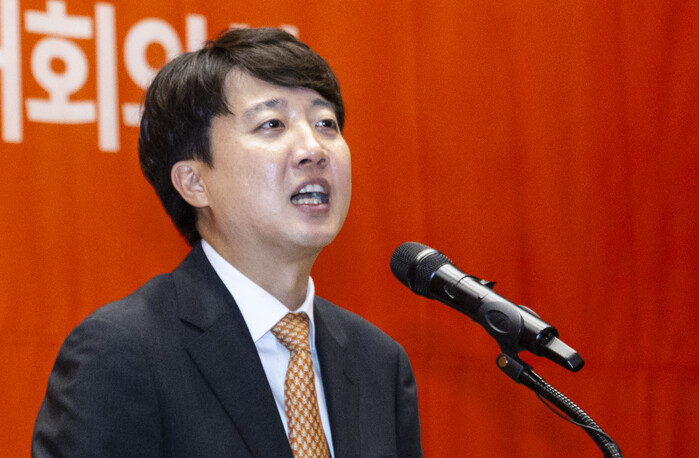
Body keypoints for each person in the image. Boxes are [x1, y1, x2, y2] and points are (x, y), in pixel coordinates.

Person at [32, 27, 423, 457]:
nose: (314, 149)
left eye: (325, 124)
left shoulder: (380, 364)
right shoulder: (123, 352)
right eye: (272, 124)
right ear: (194, 182)